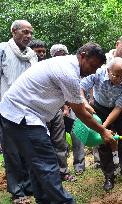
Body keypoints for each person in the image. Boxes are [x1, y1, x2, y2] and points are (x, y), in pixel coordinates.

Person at [0, 42, 116, 203]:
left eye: (97, 69)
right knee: (46, 164)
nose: (92, 71)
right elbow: (80, 112)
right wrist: (103, 131)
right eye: (92, 65)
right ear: (82, 55)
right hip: (22, 115)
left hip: (17, 113)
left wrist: (84, 104)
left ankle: (44, 200)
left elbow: (76, 97)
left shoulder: (67, 63)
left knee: (37, 165)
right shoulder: (68, 72)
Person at [80, 57, 122, 191]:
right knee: (104, 143)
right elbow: (80, 87)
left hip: (119, 111)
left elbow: (118, 109)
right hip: (100, 107)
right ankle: (109, 176)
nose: (118, 79)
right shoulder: (97, 73)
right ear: (108, 71)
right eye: (115, 75)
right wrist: (85, 104)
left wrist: (102, 128)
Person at [0, 19, 37, 203]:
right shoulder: (2, 50)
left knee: (29, 149)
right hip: (7, 110)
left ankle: (29, 186)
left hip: (28, 109)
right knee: (12, 152)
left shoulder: (32, 55)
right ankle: (17, 191)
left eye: (30, 33)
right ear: (13, 31)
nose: (28, 36)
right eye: (24, 32)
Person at [50, 43, 85, 176]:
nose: (60, 57)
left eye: (62, 55)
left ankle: (79, 165)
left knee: (78, 135)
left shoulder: (73, 68)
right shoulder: (51, 68)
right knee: (59, 140)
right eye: (57, 55)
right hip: (56, 110)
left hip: (74, 106)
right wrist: (63, 107)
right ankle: (62, 169)